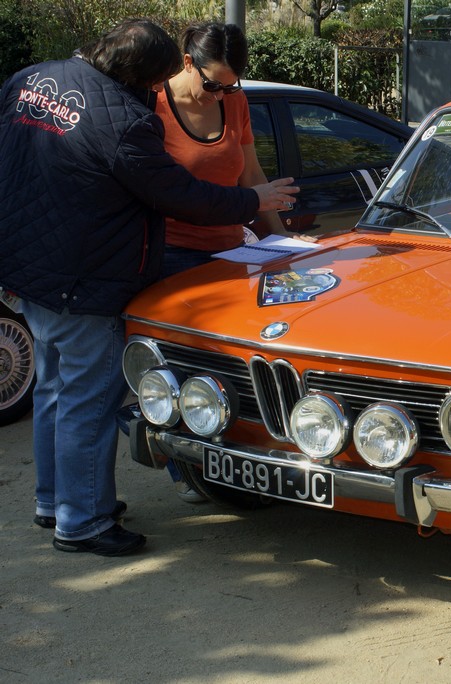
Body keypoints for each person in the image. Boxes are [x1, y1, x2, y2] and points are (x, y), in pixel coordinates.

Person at [0, 19, 299, 556]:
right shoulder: (124, 119)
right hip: (84, 278)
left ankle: (55, 502)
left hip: (31, 268)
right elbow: (177, 193)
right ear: (149, 73)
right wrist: (254, 203)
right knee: (91, 400)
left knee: (54, 387)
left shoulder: (31, 80)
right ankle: (83, 521)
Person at [154, 21, 316, 503]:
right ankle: (190, 468)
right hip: (170, 253)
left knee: (236, 360)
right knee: (184, 365)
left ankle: (240, 454)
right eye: (213, 84)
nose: (220, 94)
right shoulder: (153, 105)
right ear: (187, 62)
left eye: (230, 85)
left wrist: (282, 246)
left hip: (231, 252)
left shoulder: (234, 102)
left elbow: (252, 177)